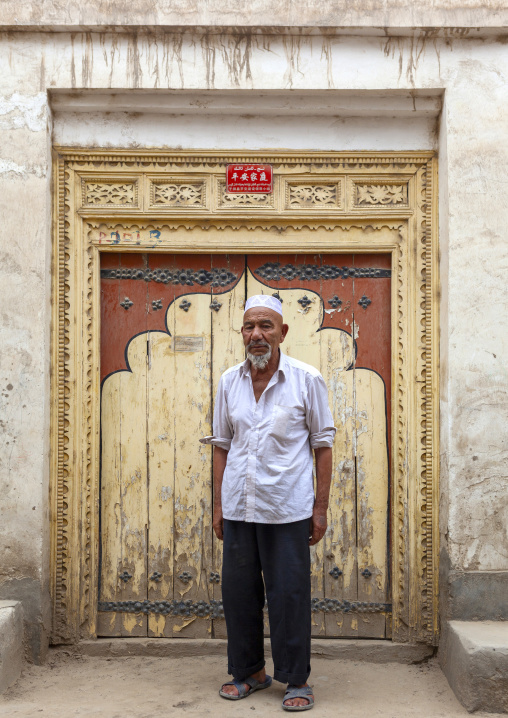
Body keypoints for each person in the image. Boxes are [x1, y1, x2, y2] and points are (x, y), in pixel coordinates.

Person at [201, 294, 335, 712]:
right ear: (242, 333)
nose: (256, 335)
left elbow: (323, 445)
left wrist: (320, 508)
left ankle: (296, 680)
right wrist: (219, 505)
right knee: (239, 595)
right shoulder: (229, 381)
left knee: (288, 596)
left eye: (266, 326)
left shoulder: (306, 379)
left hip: (287, 509)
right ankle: (249, 673)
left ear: (282, 332)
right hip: (240, 508)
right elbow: (222, 445)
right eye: (249, 327)